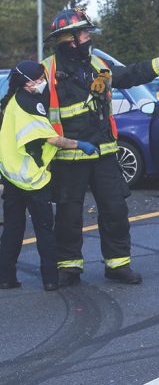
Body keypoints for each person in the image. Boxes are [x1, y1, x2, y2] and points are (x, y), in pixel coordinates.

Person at [41, 8, 159, 286]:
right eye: (84, 33)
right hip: (67, 156)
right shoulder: (46, 71)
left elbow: (132, 74)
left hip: (105, 154)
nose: (88, 38)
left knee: (115, 211)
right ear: (70, 39)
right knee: (68, 215)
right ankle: (68, 266)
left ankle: (117, 264)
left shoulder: (97, 63)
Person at [0, 61, 97, 291]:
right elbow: (53, 140)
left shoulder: (13, 102)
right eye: (40, 79)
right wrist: (79, 144)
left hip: (12, 178)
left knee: (13, 230)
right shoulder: (29, 106)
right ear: (28, 83)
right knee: (44, 229)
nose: (43, 83)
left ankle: (5, 277)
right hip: (33, 180)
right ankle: (51, 280)